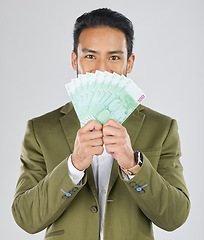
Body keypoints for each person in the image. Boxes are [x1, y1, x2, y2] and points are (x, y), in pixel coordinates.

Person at [12, 8, 190, 240]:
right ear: (75, 60)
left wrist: (132, 165)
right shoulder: (41, 130)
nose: (102, 69)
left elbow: (175, 217)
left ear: (130, 62)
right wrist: (74, 166)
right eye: (90, 56)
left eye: (114, 57)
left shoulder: (162, 128)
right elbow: (26, 218)